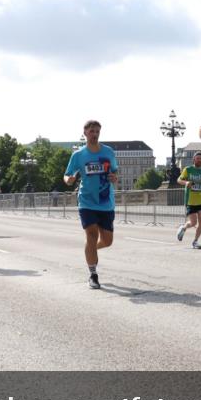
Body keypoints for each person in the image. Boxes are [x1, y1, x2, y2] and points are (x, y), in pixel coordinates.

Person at [64, 120, 119, 289]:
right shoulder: (79, 155)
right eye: (92, 131)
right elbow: (67, 175)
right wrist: (69, 180)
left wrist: (114, 177)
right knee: (92, 236)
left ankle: (90, 250)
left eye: (97, 131)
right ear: (85, 133)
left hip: (106, 202)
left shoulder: (108, 152)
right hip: (87, 201)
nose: (95, 134)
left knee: (108, 241)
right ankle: (93, 274)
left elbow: (114, 171)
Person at [176, 151, 201, 249]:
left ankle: (195, 241)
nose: (200, 160)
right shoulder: (188, 169)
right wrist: (186, 182)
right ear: (194, 159)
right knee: (193, 223)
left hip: (200, 200)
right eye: (198, 158)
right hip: (190, 200)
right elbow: (178, 180)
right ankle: (183, 228)